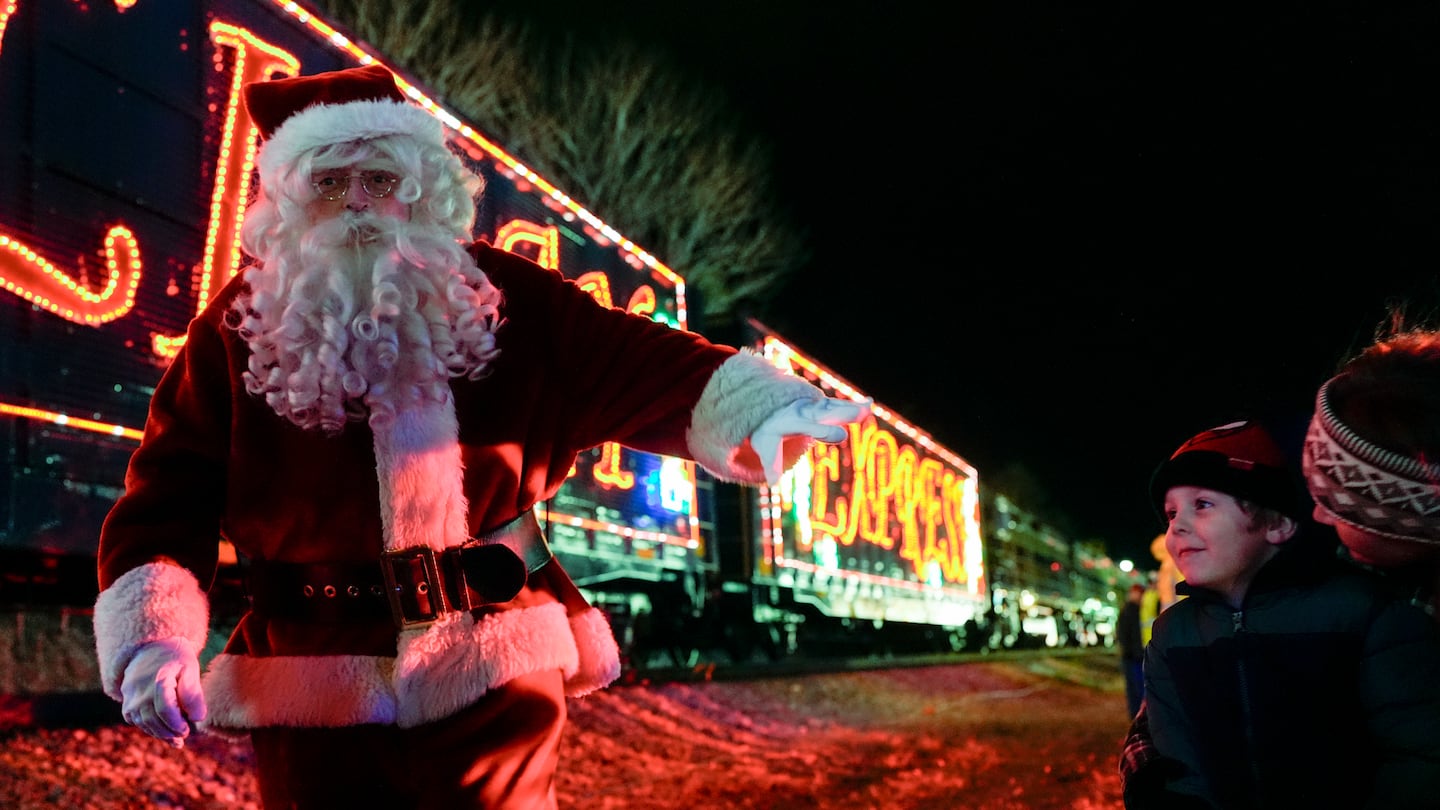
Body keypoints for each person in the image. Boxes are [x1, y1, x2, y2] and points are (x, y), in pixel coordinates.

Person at [91, 63, 870, 809]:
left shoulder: (510, 300)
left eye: (380, 180)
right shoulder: (236, 328)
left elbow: (636, 359)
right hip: (310, 680)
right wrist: (157, 640)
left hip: (494, 665)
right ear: (291, 203)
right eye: (329, 183)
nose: (357, 203)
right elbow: (169, 490)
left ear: (417, 193)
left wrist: (761, 406)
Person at [1129, 419, 1440, 809]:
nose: (1178, 528)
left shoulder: (1361, 611)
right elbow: (1177, 761)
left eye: (1203, 505)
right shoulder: (1173, 634)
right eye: (1171, 514)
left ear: (1277, 524)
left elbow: (1417, 752)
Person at [1116, 582, 1146, 719]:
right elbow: (1128, 633)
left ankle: (1136, 714)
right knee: (1136, 687)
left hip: (1132, 655)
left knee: (1134, 687)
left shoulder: (1127, 609)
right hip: (1133, 656)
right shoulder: (1131, 610)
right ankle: (1137, 715)